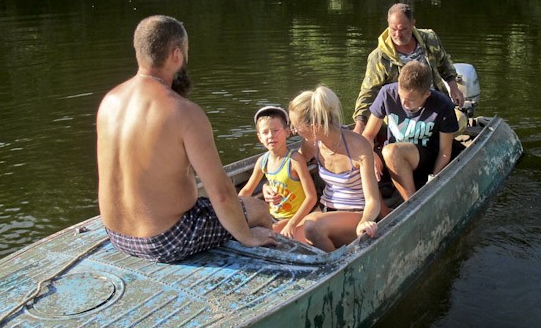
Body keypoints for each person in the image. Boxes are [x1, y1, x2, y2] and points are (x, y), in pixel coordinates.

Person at [96, 15, 276, 262]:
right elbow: (222, 192)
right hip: (166, 240)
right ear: (176, 55)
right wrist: (247, 236)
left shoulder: (109, 101)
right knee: (257, 208)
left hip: (116, 234)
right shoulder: (183, 112)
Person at [273, 86, 381, 252]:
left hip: (356, 215)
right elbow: (289, 170)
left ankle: (336, 263)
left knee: (312, 226)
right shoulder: (311, 144)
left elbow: (373, 201)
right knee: (274, 232)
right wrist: (269, 187)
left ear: (314, 126)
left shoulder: (359, 146)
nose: (294, 131)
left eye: (295, 127)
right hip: (324, 211)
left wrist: (365, 222)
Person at [352, 2, 466, 134]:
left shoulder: (430, 39)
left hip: (436, 105)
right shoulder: (378, 57)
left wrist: (453, 86)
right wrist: (360, 123)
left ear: (413, 24)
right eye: (393, 29)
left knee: (460, 122)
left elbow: (444, 63)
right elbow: (368, 92)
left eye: (403, 29)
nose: (397, 34)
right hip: (402, 114)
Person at [362, 61, 459, 201]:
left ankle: (412, 202)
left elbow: (445, 152)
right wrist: (370, 153)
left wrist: (434, 180)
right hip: (392, 160)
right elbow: (368, 135)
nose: (404, 104)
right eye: (401, 97)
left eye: (411, 100)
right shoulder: (387, 93)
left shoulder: (443, 105)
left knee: (392, 152)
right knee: (357, 153)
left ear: (426, 94)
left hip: (424, 158)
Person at [238, 105, 318, 238]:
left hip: (298, 217)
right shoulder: (262, 162)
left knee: (267, 236)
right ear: (259, 137)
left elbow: (311, 197)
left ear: (287, 132)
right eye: (265, 132)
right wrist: (233, 210)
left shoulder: (295, 160)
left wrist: (291, 224)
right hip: (274, 216)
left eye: (275, 130)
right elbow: (247, 191)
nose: (271, 136)